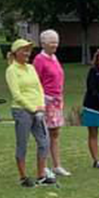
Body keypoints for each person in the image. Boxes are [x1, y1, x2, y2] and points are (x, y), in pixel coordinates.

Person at [5, 39, 58, 187]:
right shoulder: (12, 70)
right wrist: (32, 108)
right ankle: (23, 177)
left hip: (38, 110)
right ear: (16, 53)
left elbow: (39, 88)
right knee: (22, 143)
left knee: (44, 142)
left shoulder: (31, 68)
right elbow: (16, 95)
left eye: (28, 50)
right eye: (24, 50)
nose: (27, 53)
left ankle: (41, 174)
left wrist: (41, 106)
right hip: (22, 110)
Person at [33, 29, 70, 177]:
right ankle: (45, 166)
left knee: (55, 133)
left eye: (56, 41)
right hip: (45, 100)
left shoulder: (54, 58)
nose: (55, 44)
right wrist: (41, 101)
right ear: (43, 43)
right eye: (51, 42)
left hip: (56, 100)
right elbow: (36, 82)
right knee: (45, 133)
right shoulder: (39, 60)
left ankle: (57, 165)